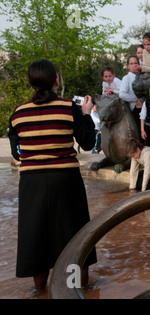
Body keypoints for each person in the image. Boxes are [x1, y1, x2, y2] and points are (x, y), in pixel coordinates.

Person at [8, 59, 98, 291]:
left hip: (31, 183)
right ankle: (77, 290)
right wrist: (87, 114)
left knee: (36, 235)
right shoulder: (69, 109)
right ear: (56, 81)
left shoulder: (18, 114)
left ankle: (39, 291)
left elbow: (17, 154)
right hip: (65, 181)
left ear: (31, 83)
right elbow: (88, 143)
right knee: (75, 234)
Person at [119, 56, 143, 128]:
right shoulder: (126, 78)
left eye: (136, 63)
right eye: (131, 63)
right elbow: (122, 94)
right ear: (128, 66)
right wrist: (135, 99)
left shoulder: (143, 76)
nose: (134, 65)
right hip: (135, 109)